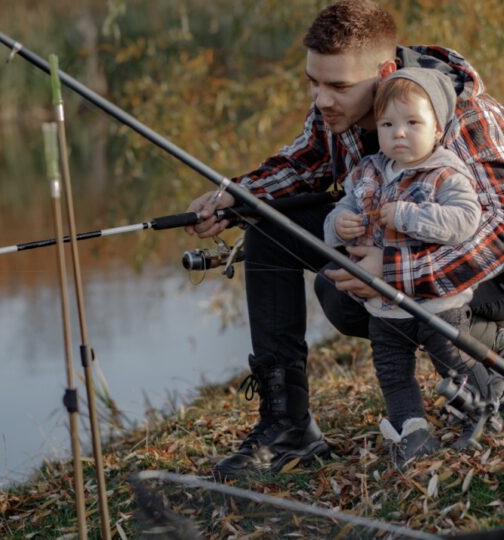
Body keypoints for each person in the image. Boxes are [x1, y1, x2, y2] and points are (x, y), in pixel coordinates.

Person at [185, 0, 504, 480]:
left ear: (385, 72)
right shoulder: (342, 113)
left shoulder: (463, 118)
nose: (321, 99)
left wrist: (391, 271)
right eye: (313, 82)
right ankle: (288, 428)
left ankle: (487, 364)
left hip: (488, 289)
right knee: (270, 228)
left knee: (348, 288)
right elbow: (302, 163)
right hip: (397, 256)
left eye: (337, 86)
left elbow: (494, 238)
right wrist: (233, 198)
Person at [324, 68, 495, 468]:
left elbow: (465, 221)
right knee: (392, 373)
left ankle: (486, 405)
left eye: (412, 123)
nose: (398, 133)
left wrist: (407, 216)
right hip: (384, 309)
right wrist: (338, 223)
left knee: (455, 363)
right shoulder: (368, 171)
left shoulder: (446, 172)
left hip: (437, 302)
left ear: (437, 128)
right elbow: (341, 212)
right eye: (388, 124)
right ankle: (411, 430)